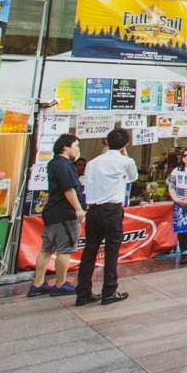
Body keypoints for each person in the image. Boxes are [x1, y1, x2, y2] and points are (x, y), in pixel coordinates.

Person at [75, 128, 138, 307]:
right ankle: (109, 291)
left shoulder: (93, 163)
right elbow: (132, 178)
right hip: (112, 210)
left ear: (107, 142)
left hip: (93, 209)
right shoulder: (125, 161)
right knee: (112, 250)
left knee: (89, 250)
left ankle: (83, 292)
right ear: (126, 144)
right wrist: (125, 153)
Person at [30, 133, 85, 297]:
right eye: (76, 146)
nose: (78, 150)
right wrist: (78, 209)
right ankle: (60, 283)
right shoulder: (63, 165)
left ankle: (38, 283)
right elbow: (68, 189)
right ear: (65, 147)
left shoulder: (54, 163)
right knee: (65, 250)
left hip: (52, 212)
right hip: (64, 213)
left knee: (46, 249)